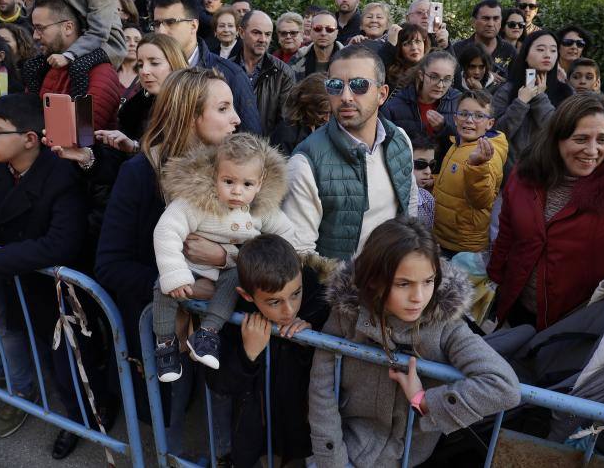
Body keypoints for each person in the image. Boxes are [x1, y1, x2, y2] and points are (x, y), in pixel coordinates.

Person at [0, 93, 109, 451]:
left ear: (29, 139)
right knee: (53, 360)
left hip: (63, 290)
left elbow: (58, 245)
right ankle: (76, 413)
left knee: (74, 361)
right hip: (25, 280)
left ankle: (88, 420)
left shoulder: (62, 174)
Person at [95, 67, 239, 442]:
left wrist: (224, 260)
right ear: (191, 116)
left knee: (218, 416)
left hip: (222, 330)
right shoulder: (140, 174)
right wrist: (181, 287)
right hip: (160, 331)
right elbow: (109, 265)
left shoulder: (236, 173)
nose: (237, 119)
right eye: (223, 108)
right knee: (170, 423)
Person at [308, 216, 520, 467]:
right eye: (403, 284)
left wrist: (425, 400)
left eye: (428, 281)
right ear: (374, 279)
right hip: (349, 446)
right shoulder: (346, 316)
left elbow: (504, 386)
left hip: (410, 456)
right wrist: (333, 461)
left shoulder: (445, 325)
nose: (419, 297)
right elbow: (321, 391)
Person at [488, 93, 604, 329]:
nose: (592, 150)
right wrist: (495, 280)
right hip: (517, 310)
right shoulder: (525, 174)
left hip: (577, 324)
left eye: (602, 140)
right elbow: (508, 232)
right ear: (557, 139)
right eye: (581, 139)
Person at [152, 133, 293, 380]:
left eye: (247, 184)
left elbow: (286, 234)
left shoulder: (261, 210)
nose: (237, 191)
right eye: (228, 181)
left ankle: (207, 334)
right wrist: (175, 272)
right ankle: (165, 344)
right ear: (215, 174)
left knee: (234, 280)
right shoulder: (196, 203)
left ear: (259, 184)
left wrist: (290, 260)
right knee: (163, 289)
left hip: (227, 270)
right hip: (190, 267)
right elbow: (167, 229)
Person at [284, 45, 418, 261]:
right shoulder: (305, 164)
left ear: (382, 94)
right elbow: (300, 253)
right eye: (335, 86)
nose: (346, 96)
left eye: (358, 85)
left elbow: (409, 205)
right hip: (342, 289)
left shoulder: (399, 139)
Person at [205, 234, 329, 468]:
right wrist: (247, 355)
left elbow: (336, 360)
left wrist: (311, 339)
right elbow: (218, 382)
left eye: (295, 293)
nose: (289, 309)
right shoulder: (229, 312)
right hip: (256, 427)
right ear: (246, 295)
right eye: (274, 302)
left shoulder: (315, 294)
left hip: (302, 426)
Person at [152, 0, 261, 133]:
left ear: (193, 26)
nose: (161, 31)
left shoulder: (231, 75)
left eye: (170, 22)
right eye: (157, 23)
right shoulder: (150, 72)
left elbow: (251, 141)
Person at [22, 0, 122, 131]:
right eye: (34, 28)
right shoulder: (43, 65)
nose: (35, 36)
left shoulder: (100, 71)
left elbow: (84, 131)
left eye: (40, 28)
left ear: (68, 27)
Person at [432, 90, 507, 256]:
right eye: (464, 113)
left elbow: (482, 200)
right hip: (443, 237)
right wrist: (433, 181)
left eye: (479, 116)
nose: (469, 120)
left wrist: (477, 166)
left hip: (463, 246)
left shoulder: (487, 153)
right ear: (455, 118)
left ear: (490, 123)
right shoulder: (457, 143)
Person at [493, 30, 574, 176]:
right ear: (526, 54)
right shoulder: (507, 90)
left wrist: (539, 97)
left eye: (553, 50)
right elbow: (496, 133)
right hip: (508, 177)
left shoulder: (566, 92)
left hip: (549, 175)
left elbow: (560, 133)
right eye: (540, 49)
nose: (548, 54)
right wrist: (520, 102)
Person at [382, 50, 461, 165]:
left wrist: (444, 128)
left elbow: (466, 143)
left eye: (447, 79)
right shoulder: (394, 106)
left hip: (445, 174)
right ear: (421, 75)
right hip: (408, 172)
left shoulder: (459, 102)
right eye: (434, 77)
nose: (440, 85)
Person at [230, 10, 295, 136]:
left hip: (268, 151)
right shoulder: (225, 70)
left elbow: (286, 124)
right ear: (241, 33)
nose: (263, 39)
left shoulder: (284, 74)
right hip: (230, 149)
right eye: (256, 33)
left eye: (268, 34)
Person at [448, 0, 516, 80]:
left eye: (496, 19)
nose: (491, 24)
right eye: (485, 19)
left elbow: (515, 83)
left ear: (501, 22)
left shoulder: (510, 51)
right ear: (473, 22)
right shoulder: (458, 49)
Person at [270, 72, 330, 156]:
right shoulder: (286, 134)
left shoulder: (326, 127)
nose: (327, 119)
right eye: (321, 113)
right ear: (307, 104)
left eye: (331, 113)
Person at [288, 11, 343, 83]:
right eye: (318, 28)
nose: (323, 33)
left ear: (336, 33)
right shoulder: (297, 60)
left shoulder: (349, 60)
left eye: (329, 29)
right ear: (310, 32)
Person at [386, 24, 429, 91]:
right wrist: (389, 46)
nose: (414, 48)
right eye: (407, 43)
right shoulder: (391, 73)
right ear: (399, 48)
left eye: (418, 42)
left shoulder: (433, 67)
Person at [410, 134, 436, 228]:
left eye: (432, 165)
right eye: (421, 164)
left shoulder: (428, 199)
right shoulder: (389, 200)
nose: (428, 171)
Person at [117, 23, 141, 89]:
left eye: (137, 41)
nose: (132, 44)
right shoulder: (108, 73)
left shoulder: (148, 75)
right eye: (127, 40)